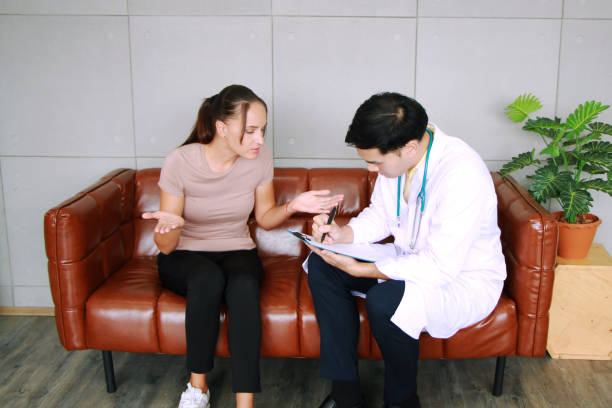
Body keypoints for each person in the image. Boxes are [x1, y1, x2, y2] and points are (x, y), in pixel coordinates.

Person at [142, 84, 343, 408]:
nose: (260, 141)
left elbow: (264, 218)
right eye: (250, 131)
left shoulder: (260, 159)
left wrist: (293, 206)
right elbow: (165, 247)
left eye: (262, 130)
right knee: (207, 280)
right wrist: (171, 226)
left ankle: (245, 402)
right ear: (221, 128)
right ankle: (198, 389)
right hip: (184, 253)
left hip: (237, 250)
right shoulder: (180, 161)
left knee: (245, 286)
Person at [305, 92, 506, 408]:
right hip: (410, 261)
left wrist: (366, 270)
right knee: (322, 265)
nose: (371, 170)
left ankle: (402, 401)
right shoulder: (403, 158)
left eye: (375, 162)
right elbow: (382, 214)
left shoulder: (461, 173)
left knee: (385, 302)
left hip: (460, 280)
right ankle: (346, 395)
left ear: (408, 148)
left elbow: (441, 267)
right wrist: (343, 233)